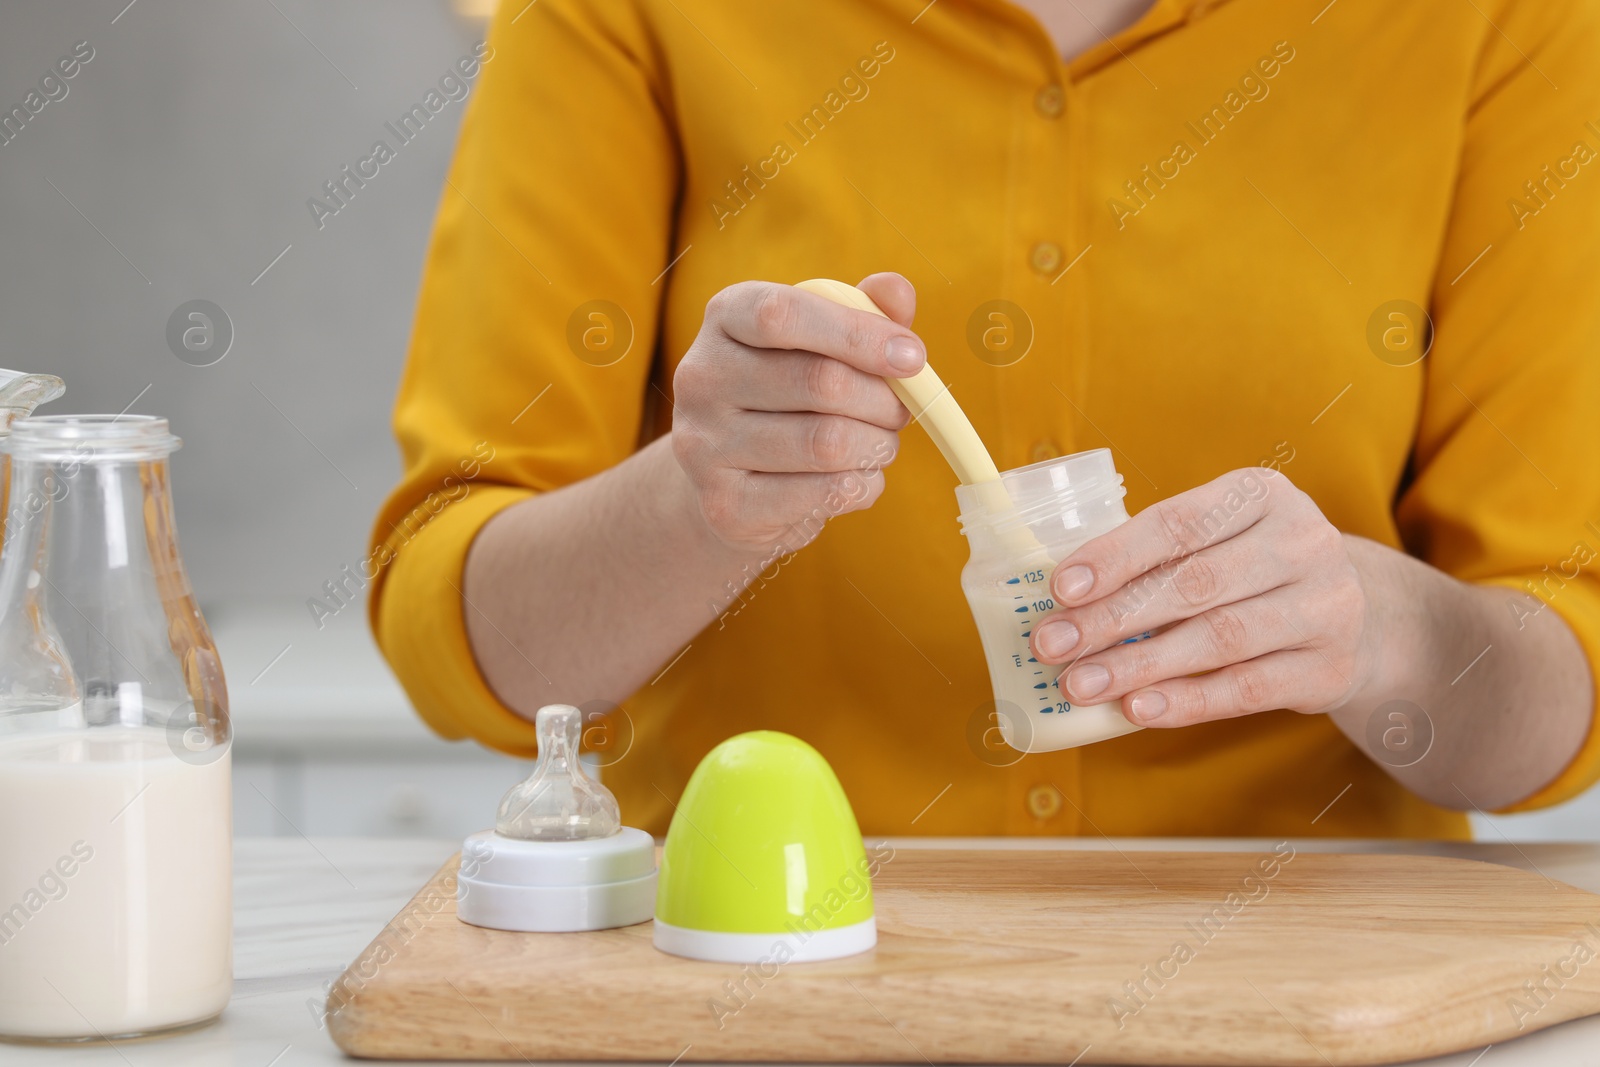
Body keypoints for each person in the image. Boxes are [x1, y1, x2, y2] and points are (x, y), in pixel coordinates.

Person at [368, 0, 1600, 838]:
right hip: (757, 970)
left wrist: (1385, 632)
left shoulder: (1505, 21)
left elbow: (1564, 681)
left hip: (1296, 989)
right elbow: (465, 641)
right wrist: (698, 501)